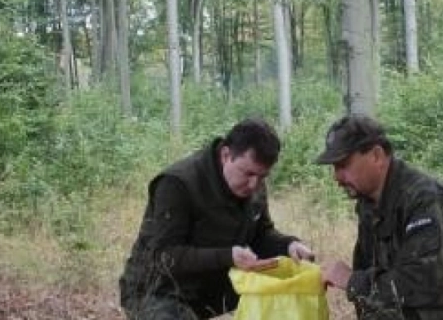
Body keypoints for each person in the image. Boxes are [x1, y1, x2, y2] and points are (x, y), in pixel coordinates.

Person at [317, 114, 443, 320]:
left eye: (343, 165)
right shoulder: (369, 201)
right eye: (335, 168)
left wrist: (352, 281)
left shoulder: (426, 201)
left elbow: (428, 285)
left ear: (376, 156)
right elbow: (373, 275)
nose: (337, 177)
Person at [119, 118, 314, 320]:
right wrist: (227, 256)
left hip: (216, 284)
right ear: (225, 155)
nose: (254, 185)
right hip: (160, 289)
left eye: (262, 176)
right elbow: (165, 256)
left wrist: (288, 245)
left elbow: (261, 234)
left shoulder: (253, 184)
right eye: (248, 173)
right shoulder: (178, 184)